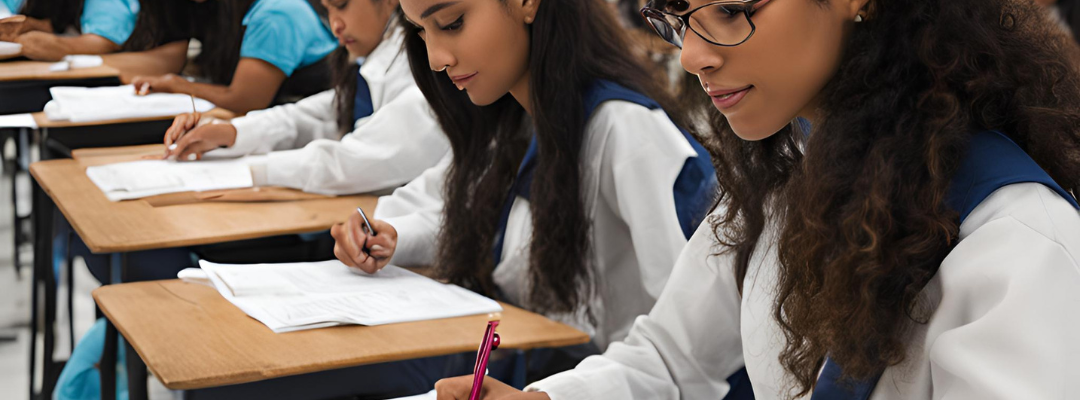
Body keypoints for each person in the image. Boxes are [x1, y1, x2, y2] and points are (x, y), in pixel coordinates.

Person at [432, 0, 1080, 398]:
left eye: (732, 11)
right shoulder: (783, 174)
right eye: (679, 16)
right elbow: (669, 357)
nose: (690, 56)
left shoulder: (1017, 244)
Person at [331, 0, 720, 385]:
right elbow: (452, 209)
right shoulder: (512, 117)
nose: (435, 58)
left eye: (452, 23)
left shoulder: (626, 130)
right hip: (533, 366)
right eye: (420, 31)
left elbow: (694, 340)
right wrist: (389, 235)